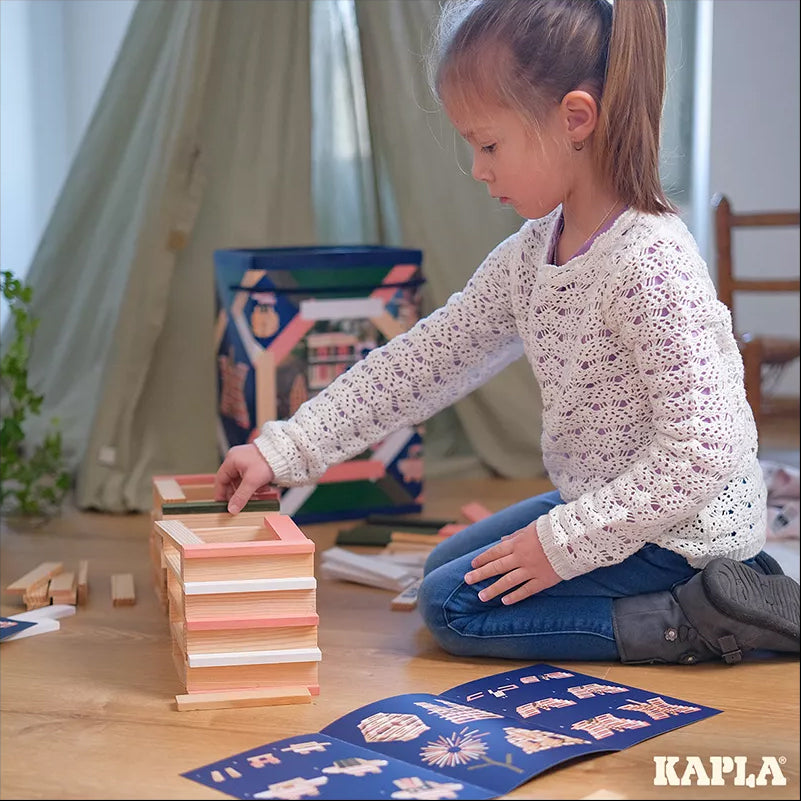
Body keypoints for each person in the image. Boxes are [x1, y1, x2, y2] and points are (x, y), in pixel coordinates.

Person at [214, 0, 800, 666]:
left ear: (574, 119)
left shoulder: (649, 264)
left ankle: (696, 618)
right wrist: (286, 448)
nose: (477, 168)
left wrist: (558, 545)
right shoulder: (531, 254)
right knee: (444, 562)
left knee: (451, 607)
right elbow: (425, 361)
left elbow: (701, 452)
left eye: (488, 144)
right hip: (608, 501)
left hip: (681, 533)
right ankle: (634, 584)